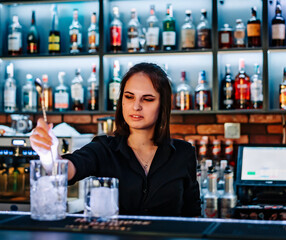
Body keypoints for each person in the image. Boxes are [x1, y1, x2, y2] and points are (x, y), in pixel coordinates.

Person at [30, 62, 201, 217]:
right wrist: (49, 154)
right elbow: (68, 170)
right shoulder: (104, 148)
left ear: (163, 105)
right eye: (129, 97)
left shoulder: (184, 153)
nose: (136, 106)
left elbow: (193, 216)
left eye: (147, 99)